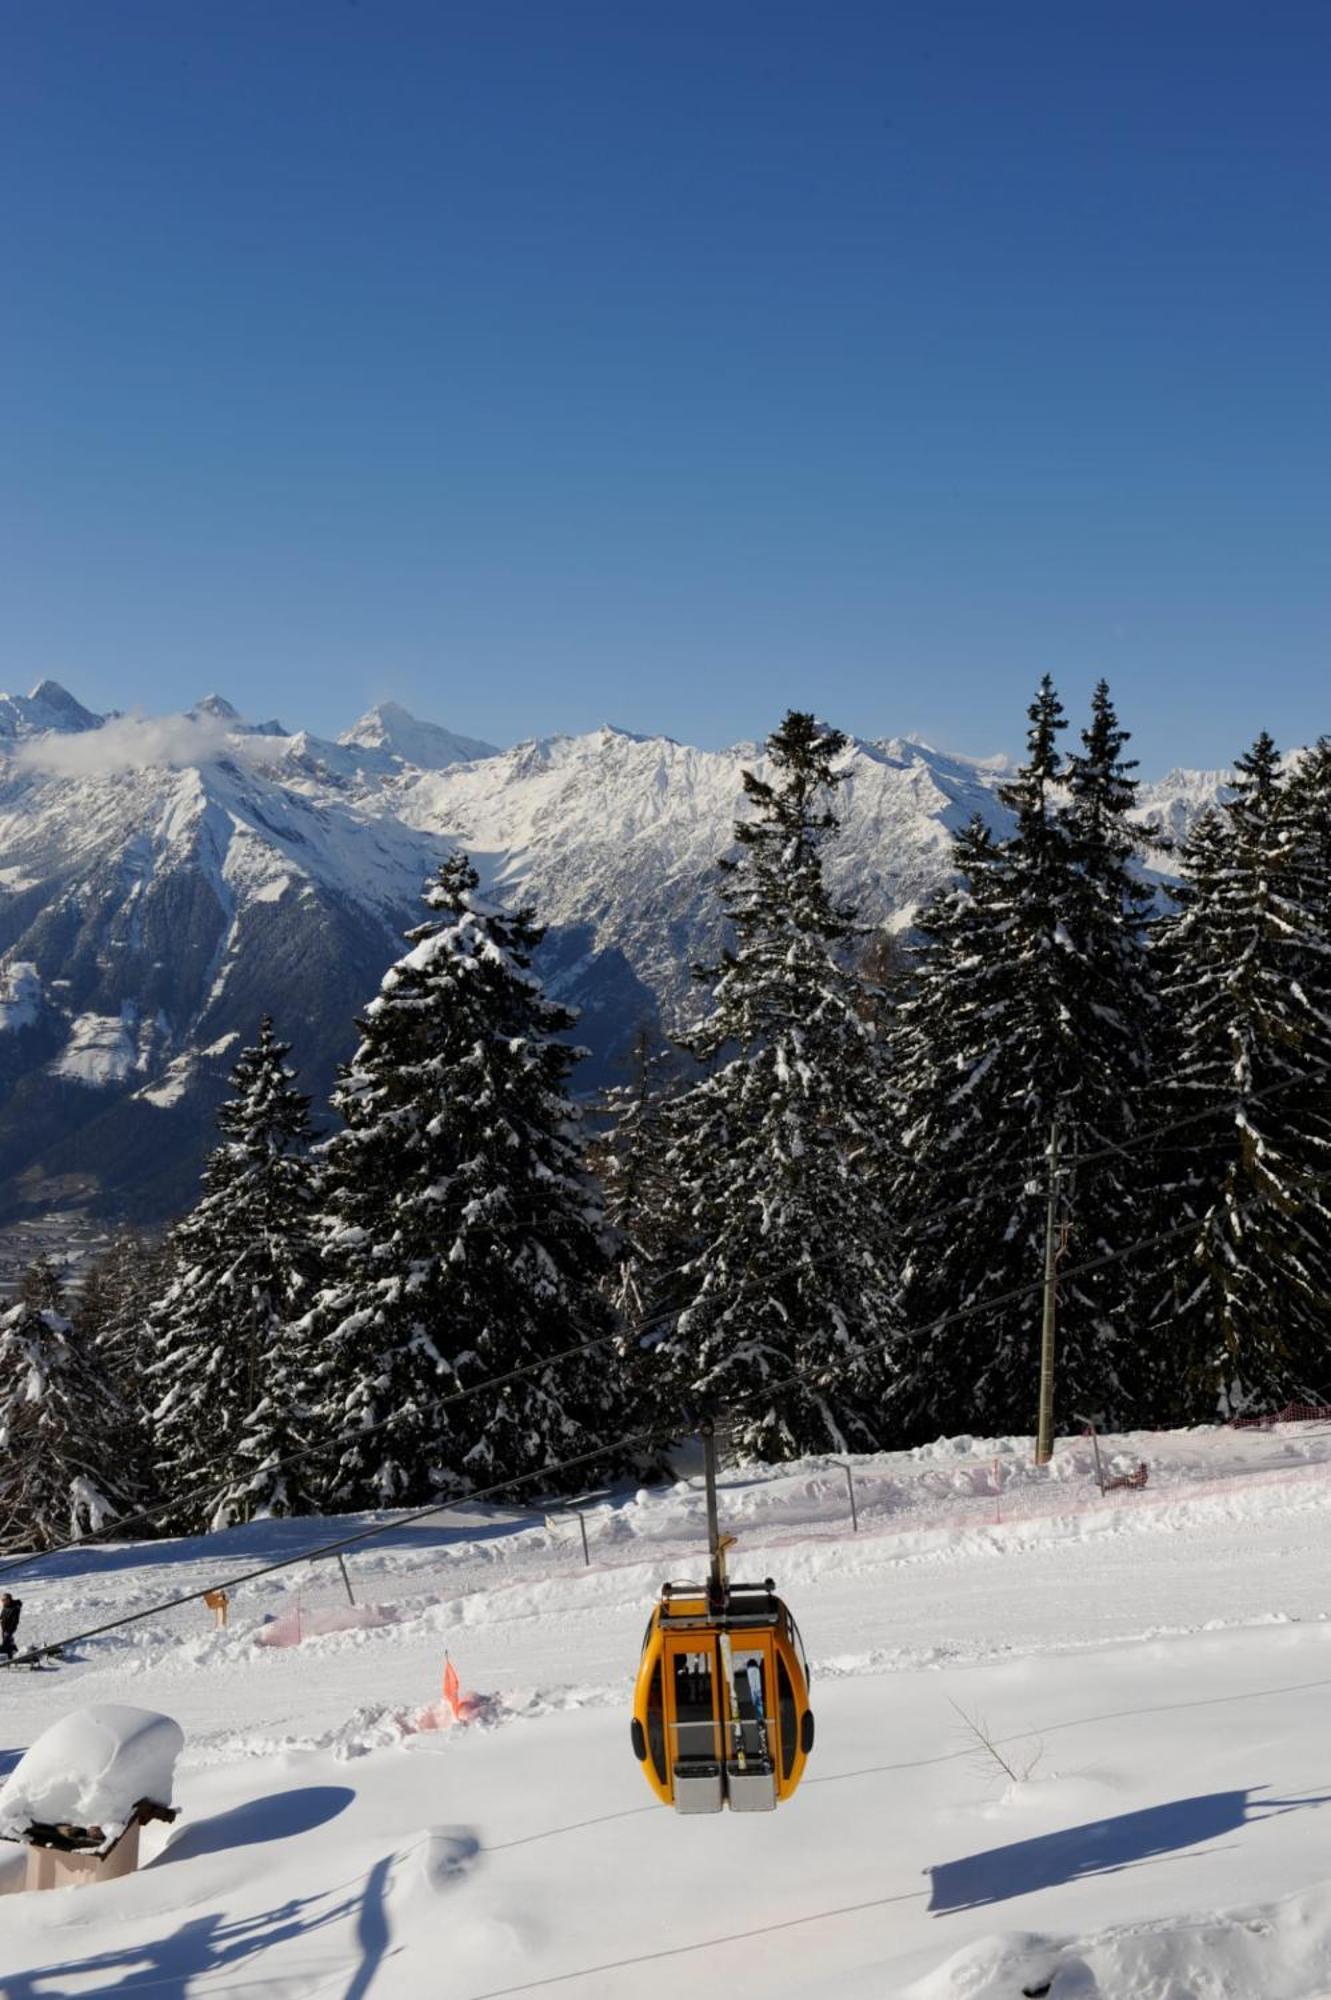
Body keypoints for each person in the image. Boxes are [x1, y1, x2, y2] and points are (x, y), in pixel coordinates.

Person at [0, 1592, 20, 1660]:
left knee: (5, 1643)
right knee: (9, 1643)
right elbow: (2, 1616)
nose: (2, 1601)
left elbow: (15, 1621)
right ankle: (16, 1654)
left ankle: (9, 1658)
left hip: (9, 1628)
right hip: (4, 1628)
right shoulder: (5, 1607)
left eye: (4, 1600)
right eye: (2, 1600)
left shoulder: (14, 1608)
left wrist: (9, 1630)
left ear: (8, 1600)